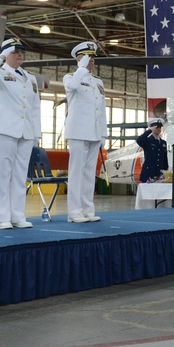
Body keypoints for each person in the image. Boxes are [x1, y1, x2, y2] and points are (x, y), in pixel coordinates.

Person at [0, 37, 42, 229]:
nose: (20, 55)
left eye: (21, 52)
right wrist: (1, 56)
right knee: (3, 174)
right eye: (15, 52)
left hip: (26, 131)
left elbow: (35, 107)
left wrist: (36, 133)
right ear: (6, 54)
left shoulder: (30, 77)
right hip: (5, 129)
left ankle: (17, 215)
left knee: (19, 175)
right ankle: (2, 217)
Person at [63, 41, 107, 223]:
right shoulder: (70, 77)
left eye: (93, 57)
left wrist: (103, 133)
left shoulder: (98, 82)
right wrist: (81, 68)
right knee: (76, 173)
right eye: (88, 57)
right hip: (78, 131)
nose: (91, 60)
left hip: (94, 132)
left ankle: (88, 210)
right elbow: (73, 87)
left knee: (90, 173)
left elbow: (101, 109)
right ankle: (74, 212)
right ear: (78, 58)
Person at [136, 118, 169, 183]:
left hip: (160, 173)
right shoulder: (147, 141)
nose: (158, 129)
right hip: (149, 173)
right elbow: (139, 140)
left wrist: (165, 171)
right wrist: (149, 130)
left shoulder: (163, 142)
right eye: (156, 127)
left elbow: (165, 158)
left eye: (160, 127)